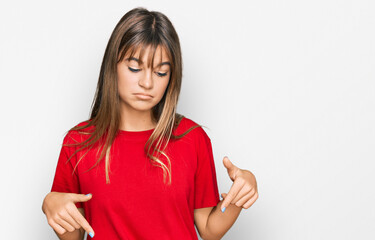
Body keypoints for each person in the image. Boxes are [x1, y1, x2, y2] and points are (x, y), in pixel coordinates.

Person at [41, 7, 258, 240]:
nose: (147, 82)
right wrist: (51, 205)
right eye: (135, 68)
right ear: (112, 66)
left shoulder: (193, 138)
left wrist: (240, 195)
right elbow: (73, 236)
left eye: (161, 72)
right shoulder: (79, 141)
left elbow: (209, 230)